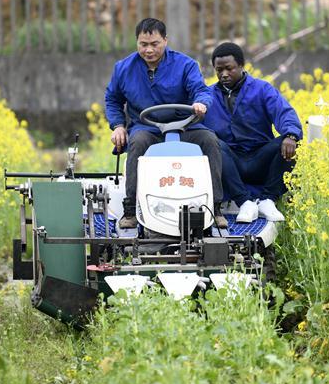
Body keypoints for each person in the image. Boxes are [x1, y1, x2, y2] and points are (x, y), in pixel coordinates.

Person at [105, 18, 227, 229]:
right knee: (137, 142)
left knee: (210, 141)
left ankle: (215, 208)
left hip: (185, 125)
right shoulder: (123, 68)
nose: (149, 50)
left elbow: (201, 90)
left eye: (155, 44)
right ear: (137, 43)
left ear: (165, 41)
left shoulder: (186, 65)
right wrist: (118, 125)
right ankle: (131, 209)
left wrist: (200, 103)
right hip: (147, 127)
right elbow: (112, 100)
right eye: (144, 45)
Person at [203, 42, 302, 223]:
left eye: (229, 69)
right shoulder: (207, 96)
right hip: (229, 165)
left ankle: (267, 200)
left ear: (241, 65)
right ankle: (245, 202)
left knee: (291, 142)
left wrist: (291, 135)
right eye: (219, 70)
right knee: (213, 143)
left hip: (260, 158)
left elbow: (284, 112)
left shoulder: (262, 89)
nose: (224, 74)